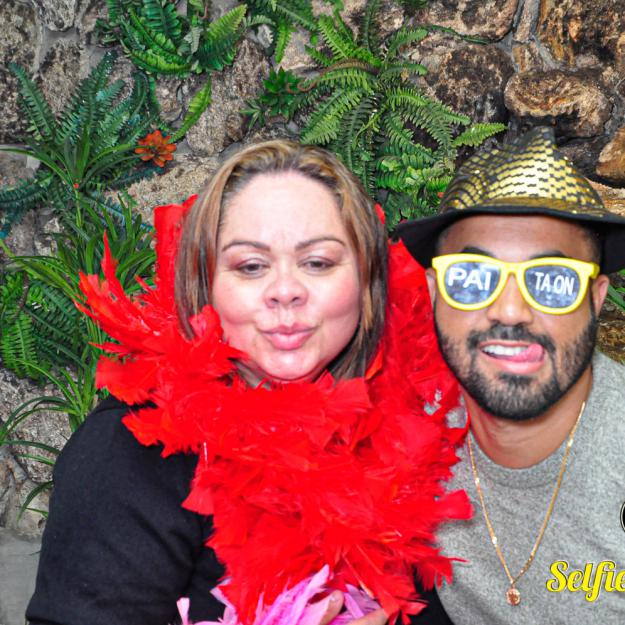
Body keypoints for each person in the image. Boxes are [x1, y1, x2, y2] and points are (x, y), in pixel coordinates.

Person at [27, 140, 466, 625]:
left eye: (318, 262)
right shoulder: (128, 453)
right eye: (251, 266)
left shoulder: (405, 425)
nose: (285, 291)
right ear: (204, 284)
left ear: (366, 282)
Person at [397, 126, 625, 624]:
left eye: (552, 281)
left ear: (596, 299)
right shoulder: (393, 431)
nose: (511, 311)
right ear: (435, 294)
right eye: (472, 278)